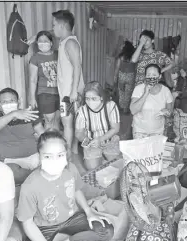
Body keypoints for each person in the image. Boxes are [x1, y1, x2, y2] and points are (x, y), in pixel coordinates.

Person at [16, 130, 114, 241]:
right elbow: (27, 224)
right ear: (39, 156)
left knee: (106, 230)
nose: (54, 161)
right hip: (44, 227)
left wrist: (88, 211)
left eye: (60, 155)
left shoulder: (71, 169)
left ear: (65, 154)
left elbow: (77, 189)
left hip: (72, 217)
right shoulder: (29, 186)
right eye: (47, 156)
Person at [0, 88, 44, 185]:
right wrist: (13, 114)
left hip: (34, 157)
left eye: (12, 101)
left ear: (18, 101)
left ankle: (34, 177)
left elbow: (44, 135)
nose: (8, 104)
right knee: (11, 173)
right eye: (4, 102)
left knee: (50, 165)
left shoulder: (28, 114)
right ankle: (36, 177)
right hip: (11, 161)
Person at [53, 10, 85, 157]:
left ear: (62, 25)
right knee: (70, 122)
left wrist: (73, 91)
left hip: (69, 93)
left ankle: (67, 157)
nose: (52, 29)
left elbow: (77, 66)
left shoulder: (70, 43)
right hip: (66, 92)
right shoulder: (64, 41)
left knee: (67, 123)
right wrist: (36, 36)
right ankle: (73, 151)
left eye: (54, 25)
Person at [75, 81, 121, 170]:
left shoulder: (111, 106)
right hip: (92, 143)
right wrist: (87, 141)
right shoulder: (82, 111)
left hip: (110, 141)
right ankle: (101, 160)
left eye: (94, 98)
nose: (90, 102)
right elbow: (78, 133)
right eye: (87, 98)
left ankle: (103, 160)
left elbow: (115, 129)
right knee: (93, 169)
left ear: (102, 98)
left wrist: (100, 139)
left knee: (117, 167)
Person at [130, 64, 173, 139]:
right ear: (145, 76)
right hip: (139, 132)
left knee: (156, 151)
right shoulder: (138, 89)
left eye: (154, 75)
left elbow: (170, 112)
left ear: (159, 76)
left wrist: (166, 111)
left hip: (158, 132)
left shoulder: (165, 91)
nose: (151, 77)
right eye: (148, 75)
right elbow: (133, 111)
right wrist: (146, 93)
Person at [29, 30, 60, 131]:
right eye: (40, 41)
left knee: (58, 120)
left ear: (51, 43)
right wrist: (32, 98)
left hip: (61, 92)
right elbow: (33, 80)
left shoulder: (58, 54)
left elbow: (62, 31)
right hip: (45, 94)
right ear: (37, 43)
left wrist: (35, 35)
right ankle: (48, 143)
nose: (42, 44)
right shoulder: (35, 58)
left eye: (45, 41)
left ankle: (57, 143)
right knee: (49, 120)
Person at [113, 40, 136, 114]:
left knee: (121, 91)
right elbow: (136, 67)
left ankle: (122, 107)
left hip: (122, 75)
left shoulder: (121, 56)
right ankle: (126, 108)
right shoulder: (134, 56)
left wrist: (115, 77)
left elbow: (117, 68)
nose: (121, 46)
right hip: (131, 76)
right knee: (128, 93)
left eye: (122, 45)